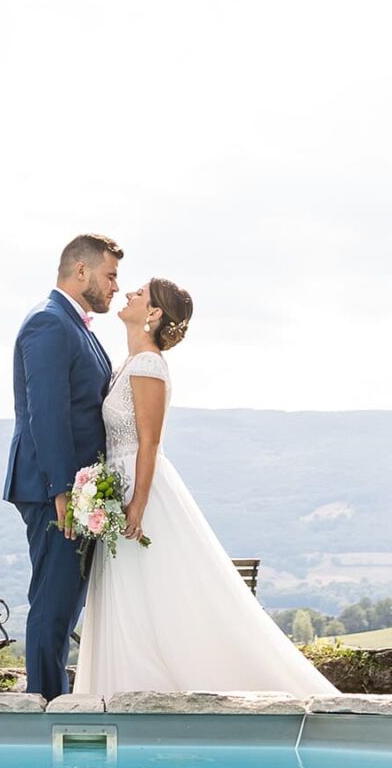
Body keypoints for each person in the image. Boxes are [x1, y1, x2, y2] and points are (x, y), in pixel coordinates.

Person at [73, 276, 337, 696]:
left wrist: (138, 503)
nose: (129, 295)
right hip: (118, 489)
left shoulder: (148, 365)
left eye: (139, 294)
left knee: (156, 594)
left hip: (140, 493)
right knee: (134, 597)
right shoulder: (127, 364)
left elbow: (150, 441)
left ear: (154, 313)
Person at [2, 233, 120, 700]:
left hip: (77, 491)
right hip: (57, 492)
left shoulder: (76, 327)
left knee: (65, 606)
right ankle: (45, 709)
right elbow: (45, 414)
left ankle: (55, 703)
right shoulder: (48, 324)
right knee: (52, 606)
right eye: (110, 275)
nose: (114, 286)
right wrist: (63, 493)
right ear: (82, 271)